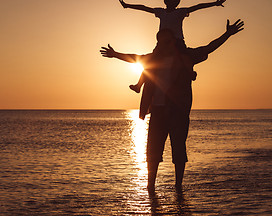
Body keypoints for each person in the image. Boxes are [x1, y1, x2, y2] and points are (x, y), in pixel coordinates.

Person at [100, 19, 244, 192]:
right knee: (152, 151)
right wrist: (115, 54)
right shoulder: (152, 60)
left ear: (173, 42)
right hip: (158, 111)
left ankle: (178, 186)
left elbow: (208, 48)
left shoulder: (186, 58)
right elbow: (134, 58)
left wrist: (227, 34)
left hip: (178, 111)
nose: (163, 45)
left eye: (167, 41)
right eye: (160, 42)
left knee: (179, 150)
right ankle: (150, 186)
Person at [119, 0, 226, 93]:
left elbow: (198, 7)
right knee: (150, 63)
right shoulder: (160, 12)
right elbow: (145, 8)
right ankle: (138, 85)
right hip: (161, 43)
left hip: (177, 42)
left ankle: (190, 73)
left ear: (177, 1)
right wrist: (128, 6)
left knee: (185, 57)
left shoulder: (180, 12)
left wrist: (214, 3)